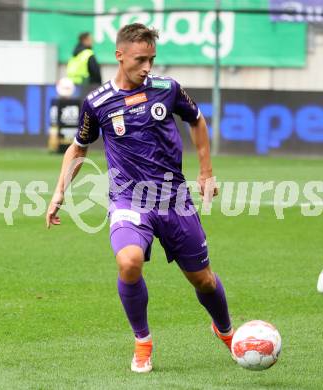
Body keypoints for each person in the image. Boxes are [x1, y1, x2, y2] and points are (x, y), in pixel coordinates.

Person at [47, 23, 234, 373]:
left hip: (175, 200)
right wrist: (60, 190)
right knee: (129, 261)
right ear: (120, 56)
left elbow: (196, 119)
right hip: (128, 200)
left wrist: (206, 171)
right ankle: (143, 341)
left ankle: (224, 329)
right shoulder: (98, 102)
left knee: (203, 279)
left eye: (151, 59)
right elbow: (79, 147)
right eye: (140, 59)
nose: (147, 67)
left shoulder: (167, 89)